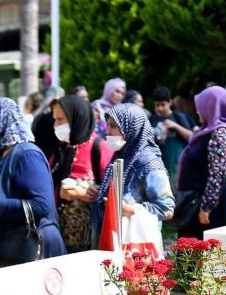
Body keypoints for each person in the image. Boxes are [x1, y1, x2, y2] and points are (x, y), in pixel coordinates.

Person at [0, 98, 66, 272]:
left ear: (0, 125)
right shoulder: (1, 155)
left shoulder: (27, 155)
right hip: (4, 255)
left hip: (28, 254)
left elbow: (42, 205)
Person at [90, 104, 174, 246]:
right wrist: (101, 193)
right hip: (114, 239)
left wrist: (131, 210)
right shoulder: (122, 153)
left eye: (113, 126)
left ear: (131, 128)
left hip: (135, 244)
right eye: (107, 125)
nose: (107, 131)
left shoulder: (148, 161)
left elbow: (166, 208)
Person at [176, 86, 226, 239]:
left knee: (207, 256)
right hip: (200, 202)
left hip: (212, 207)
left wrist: (206, 207)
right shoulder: (209, 131)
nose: (198, 111)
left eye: (201, 106)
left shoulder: (221, 134)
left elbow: (217, 174)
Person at [52, 95, 114, 253]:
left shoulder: (99, 148)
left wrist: (83, 193)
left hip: (87, 239)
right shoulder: (63, 149)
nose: (56, 125)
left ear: (77, 119)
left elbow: (115, 193)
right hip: (58, 232)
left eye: (60, 120)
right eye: (55, 119)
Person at [149, 86, 194, 189]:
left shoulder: (178, 117)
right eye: (157, 105)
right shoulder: (152, 118)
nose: (160, 108)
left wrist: (176, 126)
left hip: (175, 164)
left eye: (163, 105)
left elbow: (191, 137)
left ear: (170, 102)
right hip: (157, 164)